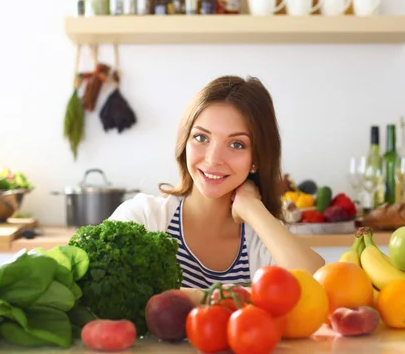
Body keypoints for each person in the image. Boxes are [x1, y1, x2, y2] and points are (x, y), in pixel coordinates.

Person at [109, 75, 325, 302]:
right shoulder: (144, 217)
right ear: (184, 142)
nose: (213, 159)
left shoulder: (262, 237)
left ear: (257, 159)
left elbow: (316, 284)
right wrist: (218, 299)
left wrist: (251, 207)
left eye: (236, 144)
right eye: (201, 137)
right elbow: (113, 292)